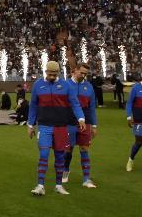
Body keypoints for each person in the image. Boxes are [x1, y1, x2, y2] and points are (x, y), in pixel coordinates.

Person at [28, 61, 85, 196]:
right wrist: (30, 125)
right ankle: (40, 185)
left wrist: (81, 118)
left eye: (54, 74)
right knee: (44, 154)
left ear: (58, 73)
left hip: (61, 127)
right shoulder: (38, 85)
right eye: (50, 74)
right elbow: (33, 106)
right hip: (44, 126)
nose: (52, 77)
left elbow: (75, 104)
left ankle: (58, 185)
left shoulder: (66, 86)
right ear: (45, 72)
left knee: (60, 156)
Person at [65, 62, 98, 188]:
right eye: (82, 72)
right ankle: (65, 169)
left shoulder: (89, 87)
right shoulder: (66, 85)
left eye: (85, 74)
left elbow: (92, 108)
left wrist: (94, 125)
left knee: (84, 148)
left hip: (85, 122)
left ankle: (86, 179)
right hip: (68, 121)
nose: (83, 75)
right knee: (68, 148)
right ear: (75, 70)